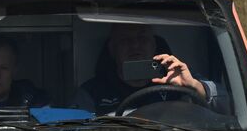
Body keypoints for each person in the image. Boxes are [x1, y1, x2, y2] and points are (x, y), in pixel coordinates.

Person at [74, 24, 227, 114]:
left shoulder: (178, 77)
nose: (135, 46)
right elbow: (76, 130)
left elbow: (231, 108)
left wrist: (194, 86)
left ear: (154, 46)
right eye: (125, 40)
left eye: (142, 38)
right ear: (112, 49)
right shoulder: (92, 92)